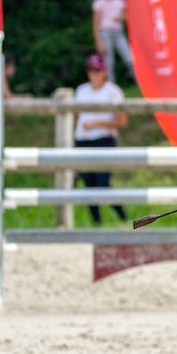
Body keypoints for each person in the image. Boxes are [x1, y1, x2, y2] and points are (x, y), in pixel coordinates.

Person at [74, 53, 128, 226]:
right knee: (89, 185)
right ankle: (96, 223)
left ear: (104, 71)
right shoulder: (81, 90)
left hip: (103, 140)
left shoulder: (113, 91)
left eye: (96, 70)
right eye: (90, 70)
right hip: (83, 141)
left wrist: (97, 124)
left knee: (102, 184)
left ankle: (123, 217)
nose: (93, 74)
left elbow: (122, 121)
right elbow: (76, 118)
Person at [92, 0, 135, 84]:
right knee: (109, 63)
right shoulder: (99, 3)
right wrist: (98, 41)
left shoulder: (120, 2)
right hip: (105, 33)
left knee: (130, 58)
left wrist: (121, 18)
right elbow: (96, 24)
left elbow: (126, 17)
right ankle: (111, 86)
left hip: (118, 33)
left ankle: (139, 82)